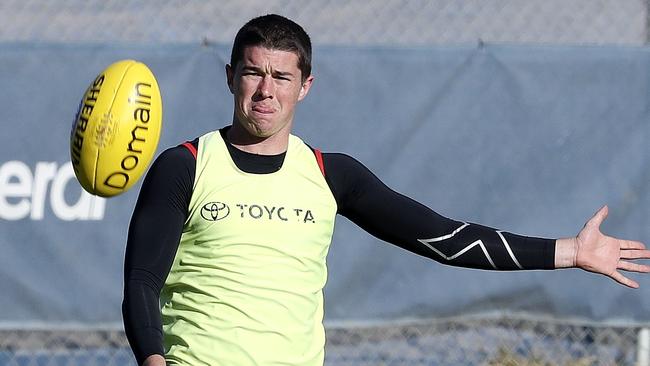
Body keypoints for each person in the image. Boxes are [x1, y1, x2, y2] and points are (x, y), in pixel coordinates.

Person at [122, 14, 650, 366]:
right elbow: (142, 281)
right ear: (230, 77)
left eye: (281, 78)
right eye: (253, 73)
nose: (265, 91)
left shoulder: (330, 174)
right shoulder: (185, 166)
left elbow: (442, 238)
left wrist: (571, 252)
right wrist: (153, 359)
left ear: (306, 86)